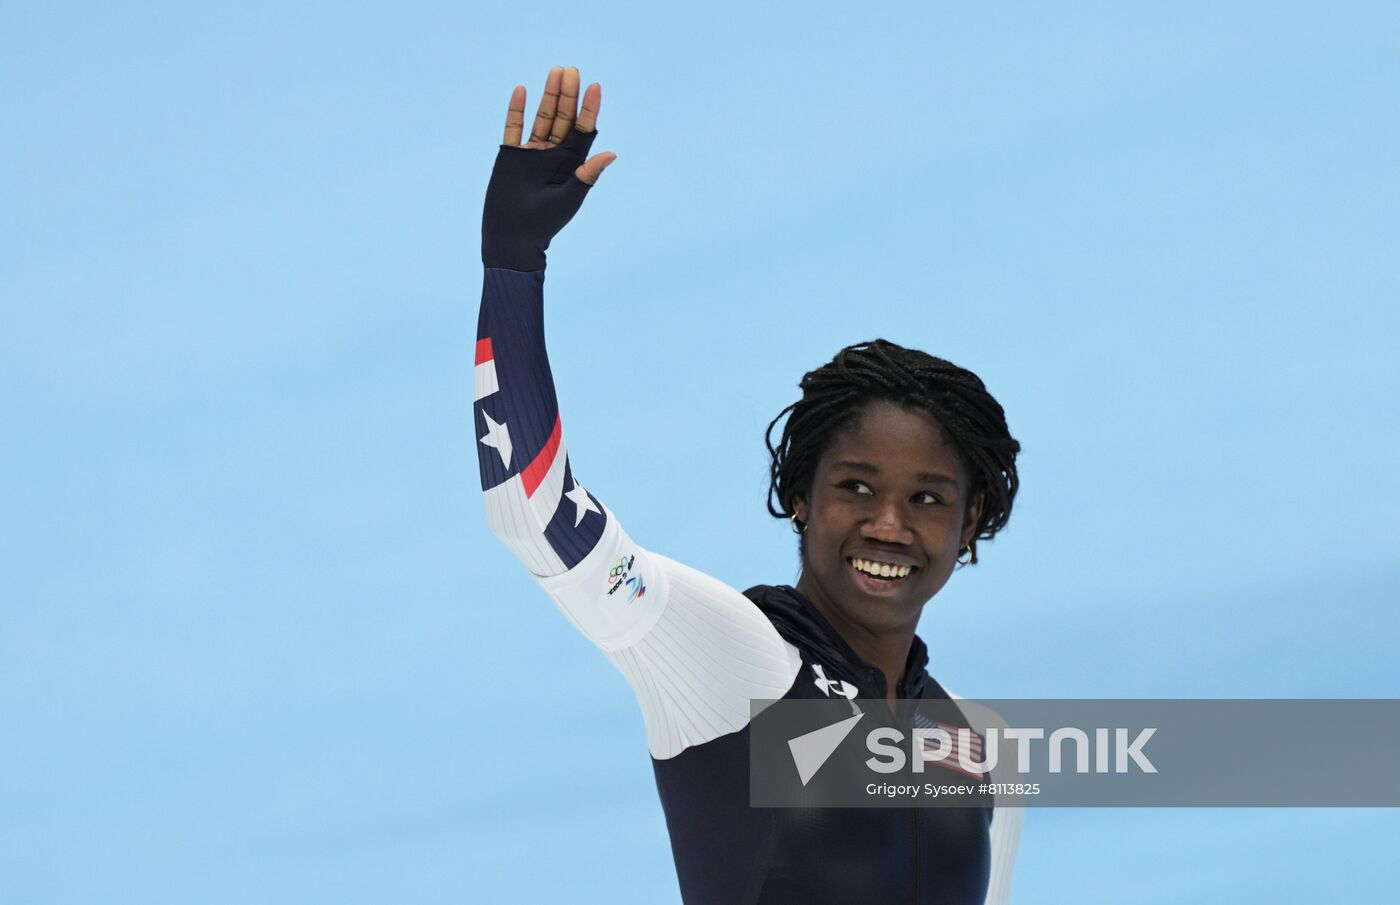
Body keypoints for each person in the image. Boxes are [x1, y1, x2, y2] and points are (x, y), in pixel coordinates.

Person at [475, 65, 1024, 905]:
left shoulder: (978, 748)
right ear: (800, 495)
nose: (887, 525)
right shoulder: (736, 664)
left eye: (926, 498)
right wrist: (514, 266)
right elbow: (536, 514)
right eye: (855, 487)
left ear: (971, 521)